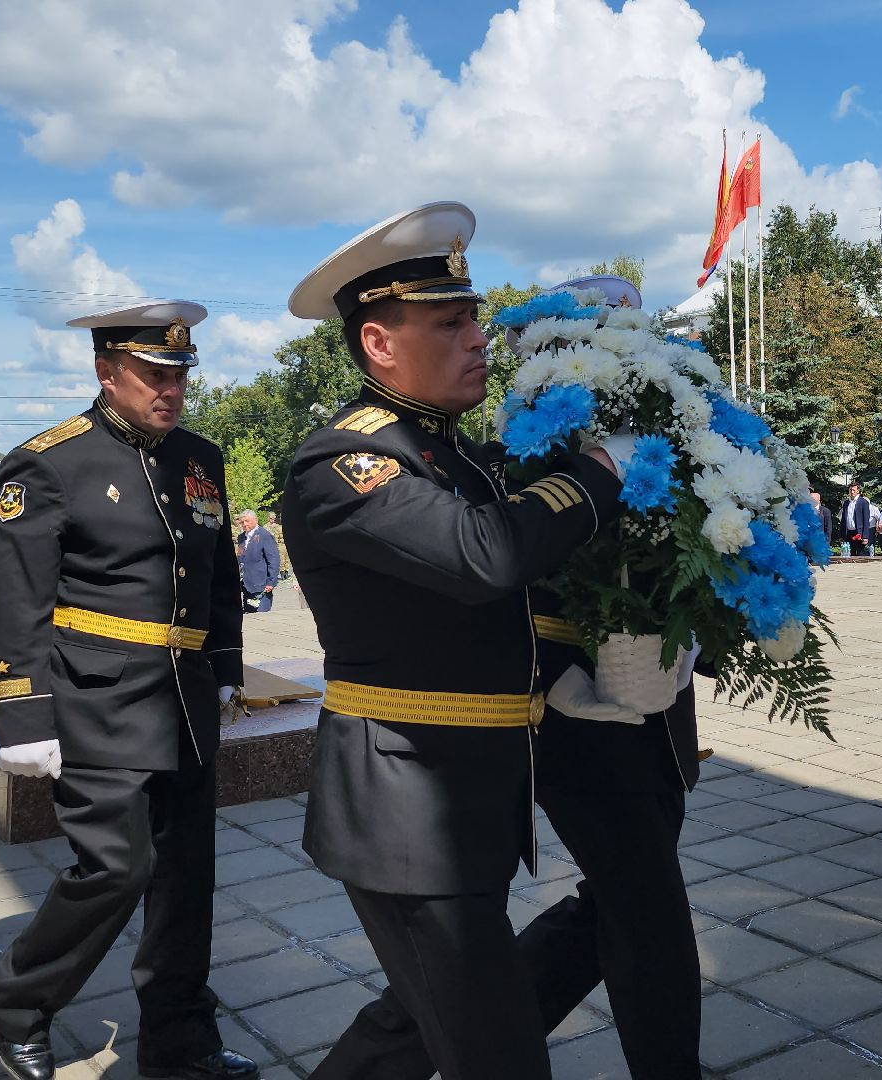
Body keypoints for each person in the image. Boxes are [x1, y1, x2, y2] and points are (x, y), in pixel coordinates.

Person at [281, 204, 638, 1080]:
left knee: (421, 1018)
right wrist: (603, 466)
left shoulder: (456, 457)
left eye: (474, 316)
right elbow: (489, 556)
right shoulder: (344, 463)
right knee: (495, 1049)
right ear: (378, 344)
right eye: (451, 322)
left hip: (464, 794)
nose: (479, 336)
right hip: (406, 808)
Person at [0, 302, 255, 1080]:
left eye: (179, 374)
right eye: (153, 374)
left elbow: (218, 577)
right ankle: (20, 1004)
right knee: (116, 869)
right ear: (106, 371)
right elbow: (13, 599)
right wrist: (22, 715)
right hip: (95, 699)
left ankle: (179, 1042)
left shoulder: (200, 457)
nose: (169, 388)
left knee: (184, 882)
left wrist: (227, 668)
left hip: (185, 700)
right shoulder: (49, 463)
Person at [235, 508, 280, 613]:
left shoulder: (265, 536)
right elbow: (241, 557)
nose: (245, 524)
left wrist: (271, 582)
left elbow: (273, 560)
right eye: (242, 522)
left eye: (247, 521)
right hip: (246, 584)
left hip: (261, 584)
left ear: (255, 520)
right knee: (249, 616)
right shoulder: (241, 537)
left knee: (261, 617)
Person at [840, 482, 872, 556]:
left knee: (860, 554)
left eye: (854, 490)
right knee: (849, 554)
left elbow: (866, 520)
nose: (852, 492)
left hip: (858, 532)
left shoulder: (863, 502)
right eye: (850, 490)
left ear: (858, 491)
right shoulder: (846, 503)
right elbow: (843, 519)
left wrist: (865, 536)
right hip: (848, 533)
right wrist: (841, 535)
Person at [263, 509, 290, 579]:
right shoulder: (265, 527)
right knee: (278, 560)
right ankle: (278, 573)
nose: (273, 520)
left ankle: (286, 572)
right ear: (268, 518)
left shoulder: (278, 526)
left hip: (281, 544)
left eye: (274, 518)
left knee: (286, 558)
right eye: (271, 518)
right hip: (271, 545)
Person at [809, 491, 835, 558]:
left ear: (818, 500)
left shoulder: (825, 511)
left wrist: (826, 544)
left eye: (813, 499)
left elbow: (828, 529)